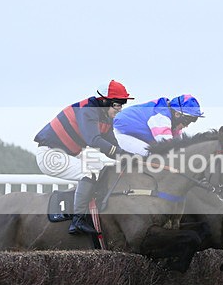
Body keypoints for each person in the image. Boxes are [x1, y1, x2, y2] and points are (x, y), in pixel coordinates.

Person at [34, 79, 134, 234]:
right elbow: (93, 140)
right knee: (89, 172)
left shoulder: (106, 117)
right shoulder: (88, 109)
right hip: (50, 155)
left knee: (102, 168)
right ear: (104, 101)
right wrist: (120, 153)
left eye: (122, 104)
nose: (120, 108)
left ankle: (90, 207)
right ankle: (78, 220)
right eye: (117, 104)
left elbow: (111, 145)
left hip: (68, 154)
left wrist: (128, 158)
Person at [113, 94, 204, 156]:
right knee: (152, 155)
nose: (187, 126)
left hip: (134, 135)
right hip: (119, 134)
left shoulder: (173, 123)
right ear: (177, 114)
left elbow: (179, 148)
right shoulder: (161, 117)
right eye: (187, 121)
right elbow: (169, 148)